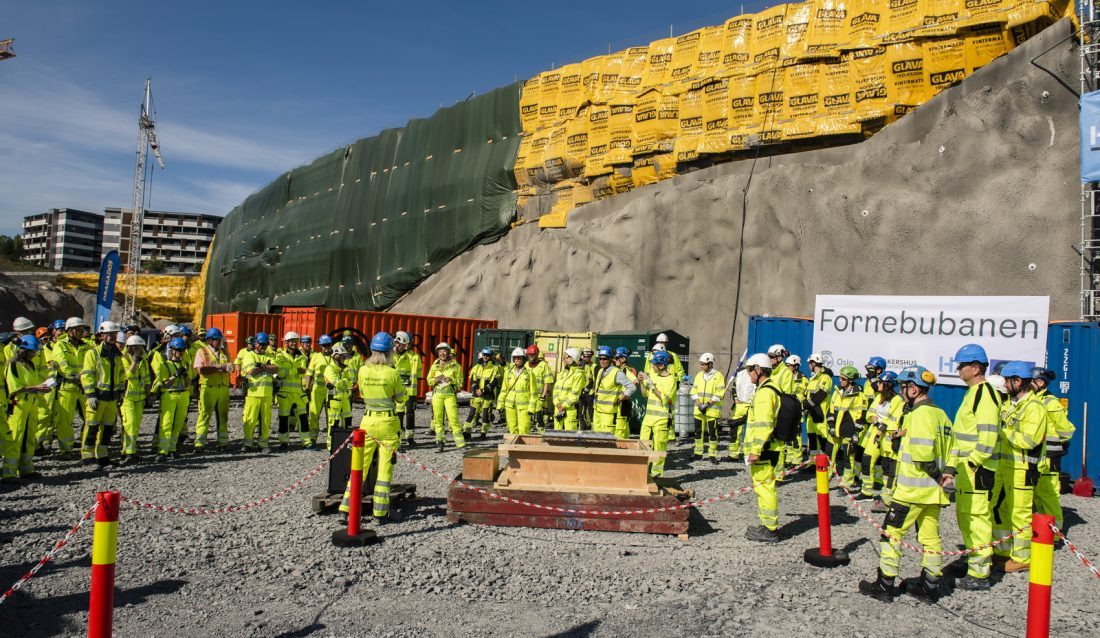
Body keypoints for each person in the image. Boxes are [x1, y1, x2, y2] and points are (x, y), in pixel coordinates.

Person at [859, 366, 950, 603]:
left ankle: (885, 584)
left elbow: (921, 454)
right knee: (930, 539)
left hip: (912, 491)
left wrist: (936, 475)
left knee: (891, 535)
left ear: (914, 388)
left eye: (904, 386)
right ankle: (929, 587)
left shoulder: (918, 415)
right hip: (933, 494)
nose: (901, 390)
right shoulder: (941, 414)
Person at [939, 344, 1002, 589]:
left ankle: (979, 573)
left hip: (978, 470)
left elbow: (988, 438)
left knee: (977, 519)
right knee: (965, 517)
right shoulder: (973, 394)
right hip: (967, 470)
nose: (958, 370)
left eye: (962, 365)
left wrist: (972, 464)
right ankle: (973, 558)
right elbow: (961, 436)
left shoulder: (985, 395)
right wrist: (951, 467)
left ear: (975, 368)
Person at [338, 332, 408, 525]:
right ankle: (380, 513)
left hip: (367, 422)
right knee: (385, 471)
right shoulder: (392, 373)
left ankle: (345, 509)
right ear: (388, 352)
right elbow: (401, 398)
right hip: (387, 423)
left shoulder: (363, 370)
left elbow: (361, 391)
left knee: (358, 467)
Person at [991, 361, 1049, 573]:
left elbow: (1029, 440)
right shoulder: (1011, 404)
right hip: (1007, 467)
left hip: (1023, 469)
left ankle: (1022, 557)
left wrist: (1003, 431)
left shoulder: (1034, 407)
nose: (1005, 385)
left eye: (1008, 381)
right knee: (1000, 509)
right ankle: (1003, 551)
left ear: (1019, 381)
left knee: (1020, 514)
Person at [742, 353, 784, 543]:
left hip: (764, 449)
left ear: (759, 369)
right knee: (763, 487)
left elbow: (764, 424)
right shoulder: (771, 388)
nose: (749, 374)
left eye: (750, 370)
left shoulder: (764, 393)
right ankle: (767, 524)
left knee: (765, 488)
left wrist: (755, 450)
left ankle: (770, 530)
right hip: (769, 447)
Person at [1030, 367, 1076, 533]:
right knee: (1037, 494)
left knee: (1048, 495)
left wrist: (1059, 444)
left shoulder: (1051, 403)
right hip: (1038, 456)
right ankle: (1042, 530)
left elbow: (1066, 430)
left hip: (1050, 456)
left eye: (1031, 381)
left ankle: (1054, 534)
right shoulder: (1033, 400)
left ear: (1040, 383)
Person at [4, 336, 50, 480]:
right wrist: (36, 388)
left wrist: (41, 388)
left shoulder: (31, 365)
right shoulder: (13, 365)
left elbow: (34, 383)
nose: (35, 354)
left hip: (31, 405)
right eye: (32, 351)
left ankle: (27, 469)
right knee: (15, 438)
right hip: (18, 406)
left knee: (29, 437)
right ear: (23, 350)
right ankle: (9, 473)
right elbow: (13, 388)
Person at [80, 322, 125, 468]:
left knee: (107, 429)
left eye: (114, 334)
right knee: (92, 427)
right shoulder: (92, 353)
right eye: (110, 334)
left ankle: (102, 456)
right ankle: (87, 457)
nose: (113, 336)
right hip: (98, 397)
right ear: (101, 335)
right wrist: (90, 395)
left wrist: (121, 392)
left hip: (111, 398)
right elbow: (87, 376)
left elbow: (121, 374)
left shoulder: (117, 355)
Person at [43, 317, 90, 455]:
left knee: (90, 418)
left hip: (84, 388)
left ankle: (87, 446)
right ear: (70, 331)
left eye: (82, 329)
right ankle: (66, 449)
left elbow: (93, 364)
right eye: (79, 330)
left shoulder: (87, 346)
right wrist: (77, 376)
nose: (82, 332)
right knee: (65, 420)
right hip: (66, 388)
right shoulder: (61, 345)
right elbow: (62, 365)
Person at [638, 350, 678, 476]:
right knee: (643, 445)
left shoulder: (671, 380)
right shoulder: (653, 376)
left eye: (654, 364)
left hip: (661, 419)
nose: (652, 367)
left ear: (661, 365)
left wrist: (651, 384)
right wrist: (641, 382)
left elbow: (665, 399)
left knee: (659, 448)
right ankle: (642, 472)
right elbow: (645, 393)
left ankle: (656, 474)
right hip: (648, 418)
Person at [829, 365, 870, 488]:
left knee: (848, 459)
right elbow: (831, 410)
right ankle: (824, 481)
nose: (840, 380)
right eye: (840, 378)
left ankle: (847, 484)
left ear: (851, 380)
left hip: (848, 431)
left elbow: (862, 415)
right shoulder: (837, 392)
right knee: (828, 455)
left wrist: (855, 432)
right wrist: (831, 425)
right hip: (834, 431)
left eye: (843, 378)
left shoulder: (859, 395)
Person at [152, 337, 192, 462]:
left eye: (183, 350)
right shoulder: (165, 365)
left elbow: (188, 382)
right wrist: (175, 375)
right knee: (166, 423)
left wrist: (184, 374)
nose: (182, 352)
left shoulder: (185, 364)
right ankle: (163, 451)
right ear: (173, 351)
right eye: (179, 350)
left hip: (183, 395)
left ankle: (172, 448)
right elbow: (164, 384)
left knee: (178, 423)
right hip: (169, 395)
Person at [869, 372, 904, 512]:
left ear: (888, 384)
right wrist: (878, 425)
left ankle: (889, 500)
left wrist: (880, 427)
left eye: (880, 382)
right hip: (883, 438)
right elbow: (872, 413)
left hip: (891, 439)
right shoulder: (880, 397)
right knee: (885, 469)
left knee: (892, 471)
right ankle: (885, 496)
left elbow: (891, 419)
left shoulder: (897, 400)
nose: (877, 384)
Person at [194, 327, 232, 451]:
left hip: (223, 388)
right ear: (210, 340)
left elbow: (231, 367)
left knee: (223, 416)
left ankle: (223, 442)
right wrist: (220, 367)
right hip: (208, 387)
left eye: (220, 339)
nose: (220, 342)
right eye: (217, 339)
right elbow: (201, 370)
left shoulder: (224, 352)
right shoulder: (201, 352)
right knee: (204, 415)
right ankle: (199, 443)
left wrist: (224, 367)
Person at [240, 332, 278, 452]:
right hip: (253, 393)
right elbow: (251, 371)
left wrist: (261, 367)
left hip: (267, 393)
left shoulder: (270, 355)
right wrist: (265, 367)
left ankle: (263, 444)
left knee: (265, 420)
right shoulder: (249, 355)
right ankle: (247, 443)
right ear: (255, 344)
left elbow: (276, 368)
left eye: (266, 344)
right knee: (250, 419)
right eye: (262, 344)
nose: (264, 346)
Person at [119, 335, 152, 464]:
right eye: (135, 347)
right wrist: (134, 362)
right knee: (130, 425)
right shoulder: (124, 359)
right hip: (128, 398)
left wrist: (149, 395)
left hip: (140, 397)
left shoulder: (143, 360)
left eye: (140, 347)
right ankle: (129, 453)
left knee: (136, 426)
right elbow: (127, 375)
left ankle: (128, 450)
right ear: (130, 348)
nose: (138, 349)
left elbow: (147, 378)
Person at [275, 332, 309, 449]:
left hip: (298, 393)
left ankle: (306, 441)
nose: (294, 343)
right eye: (291, 341)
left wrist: (288, 371)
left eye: (296, 341)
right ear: (286, 343)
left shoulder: (302, 357)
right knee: (284, 418)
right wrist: (294, 370)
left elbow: (303, 372)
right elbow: (279, 372)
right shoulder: (280, 356)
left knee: (303, 418)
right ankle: (283, 441)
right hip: (284, 393)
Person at [428, 342, 464, 452]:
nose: (442, 353)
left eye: (444, 351)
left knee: (453, 419)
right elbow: (429, 381)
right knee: (438, 420)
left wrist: (451, 380)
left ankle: (461, 444)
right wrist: (436, 380)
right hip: (437, 395)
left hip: (449, 395)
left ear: (448, 352)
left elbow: (460, 382)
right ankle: (440, 443)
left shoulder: (456, 366)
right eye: (440, 351)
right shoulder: (435, 365)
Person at [691, 353, 725, 463]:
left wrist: (708, 404)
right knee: (698, 432)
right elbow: (694, 391)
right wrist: (698, 403)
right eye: (701, 364)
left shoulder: (718, 376)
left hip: (712, 410)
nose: (701, 366)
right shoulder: (698, 375)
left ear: (710, 364)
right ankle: (698, 452)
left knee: (712, 433)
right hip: (699, 409)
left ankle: (712, 454)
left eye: (703, 364)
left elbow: (719, 393)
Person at [305, 335, 335, 448]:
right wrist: (307, 387)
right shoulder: (316, 357)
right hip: (317, 390)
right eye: (324, 345)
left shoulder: (335, 356)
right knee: (314, 414)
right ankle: (312, 438)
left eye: (328, 345)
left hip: (332, 391)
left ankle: (331, 440)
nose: (326, 347)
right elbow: (309, 373)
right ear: (320, 346)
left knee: (331, 416)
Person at [392, 331, 421, 448]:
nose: (398, 345)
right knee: (398, 414)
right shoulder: (391, 355)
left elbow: (416, 374)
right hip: (395, 390)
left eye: (402, 344)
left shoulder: (414, 357)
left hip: (409, 390)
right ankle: (397, 439)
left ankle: (410, 437)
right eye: (397, 343)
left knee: (409, 413)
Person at [497, 348, 534, 434]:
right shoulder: (508, 373)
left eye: (519, 358)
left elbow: (533, 393)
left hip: (524, 407)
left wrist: (532, 407)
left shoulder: (529, 373)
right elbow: (503, 390)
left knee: (524, 429)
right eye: (515, 358)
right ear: (513, 359)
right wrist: (500, 404)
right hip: (510, 406)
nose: (517, 359)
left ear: (524, 359)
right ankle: (513, 447)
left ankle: (523, 447)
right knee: (512, 428)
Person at [803, 353, 833, 459]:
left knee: (823, 439)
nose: (808, 366)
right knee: (812, 439)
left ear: (813, 363)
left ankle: (827, 466)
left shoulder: (825, 377)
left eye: (809, 364)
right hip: (812, 414)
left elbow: (821, 395)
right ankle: (812, 463)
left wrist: (806, 404)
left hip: (821, 414)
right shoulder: (813, 379)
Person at [324, 344, 356, 443]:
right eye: (343, 356)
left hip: (345, 399)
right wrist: (344, 382)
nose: (344, 359)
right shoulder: (329, 368)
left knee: (347, 421)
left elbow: (351, 383)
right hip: (334, 400)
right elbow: (337, 382)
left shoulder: (345, 368)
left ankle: (345, 443)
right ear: (336, 356)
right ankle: (331, 445)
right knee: (334, 423)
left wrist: (343, 382)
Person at [467, 348, 500, 438]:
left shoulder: (495, 368)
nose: (485, 357)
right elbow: (472, 380)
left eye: (488, 355)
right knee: (472, 414)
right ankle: (467, 431)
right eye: (484, 355)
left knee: (486, 415)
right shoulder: (476, 367)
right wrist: (477, 389)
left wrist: (483, 391)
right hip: (476, 395)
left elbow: (493, 382)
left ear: (491, 356)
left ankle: (483, 432)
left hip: (487, 396)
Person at [552, 348, 586, 431]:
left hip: (570, 410)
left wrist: (563, 406)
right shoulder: (563, 372)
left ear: (572, 358)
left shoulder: (579, 374)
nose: (563, 359)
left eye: (565, 357)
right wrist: (557, 403)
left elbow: (575, 394)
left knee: (569, 436)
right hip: (558, 408)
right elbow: (555, 390)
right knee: (556, 435)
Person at [727, 364, 754, 462]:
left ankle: (749, 455)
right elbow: (734, 386)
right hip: (739, 404)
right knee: (735, 429)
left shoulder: (756, 374)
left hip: (751, 405)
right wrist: (735, 397)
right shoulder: (740, 372)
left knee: (751, 432)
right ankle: (733, 455)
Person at [525, 345, 554, 434]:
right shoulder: (526, 365)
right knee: (527, 417)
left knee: (539, 417)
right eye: (529, 355)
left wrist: (543, 396)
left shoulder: (543, 365)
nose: (530, 356)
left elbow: (547, 382)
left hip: (539, 397)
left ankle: (541, 435)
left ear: (537, 354)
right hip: (528, 396)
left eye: (532, 355)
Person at [612, 347, 639, 439]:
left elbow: (635, 381)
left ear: (623, 359)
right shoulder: (622, 370)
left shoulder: (625, 370)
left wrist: (624, 395)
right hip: (623, 403)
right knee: (624, 427)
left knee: (620, 428)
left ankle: (620, 449)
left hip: (623, 403)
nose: (614, 360)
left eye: (616, 358)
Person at [576, 347, 596, 430]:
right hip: (581, 392)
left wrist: (588, 387)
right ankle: (582, 428)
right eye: (584, 356)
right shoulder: (580, 365)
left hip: (590, 393)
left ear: (591, 357)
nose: (586, 358)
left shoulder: (594, 366)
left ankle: (591, 428)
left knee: (591, 412)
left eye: (588, 357)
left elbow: (594, 379)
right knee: (581, 412)